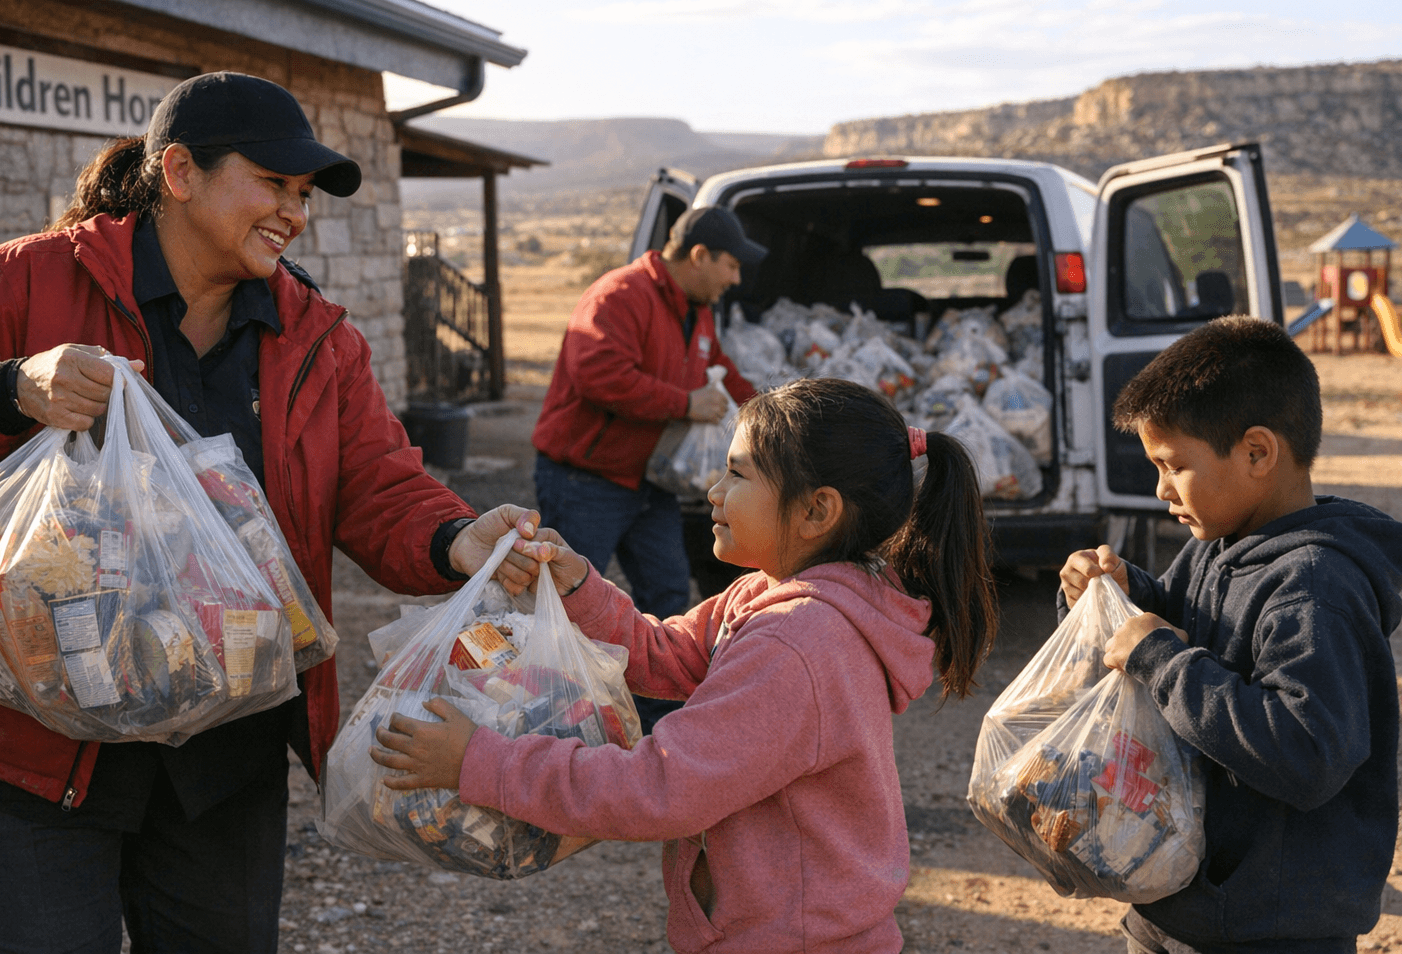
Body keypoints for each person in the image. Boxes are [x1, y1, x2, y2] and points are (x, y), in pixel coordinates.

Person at [0, 71, 541, 954]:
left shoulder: (317, 338)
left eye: (303, 195)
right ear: (179, 172)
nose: (294, 213)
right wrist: (4, 391)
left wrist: (456, 537)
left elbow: (379, 484)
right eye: (273, 183)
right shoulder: (25, 283)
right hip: (15, 751)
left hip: (220, 760)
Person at [378, 377, 1001, 953]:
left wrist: (481, 762)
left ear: (817, 511)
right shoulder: (773, 593)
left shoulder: (799, 644)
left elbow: (660, 790)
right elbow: (667, 655)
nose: (714, 491)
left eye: (737, 474)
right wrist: (578, 590)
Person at [1057, 316, 1402, 954]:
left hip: (1267, 926)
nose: (1160, 489)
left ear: (1256, 453)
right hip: (1177, 902)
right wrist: (1119, 593)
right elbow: (1179, 619)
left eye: (1173, 465)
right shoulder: (1217, 545)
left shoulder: (1315, 589)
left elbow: (1309, 752)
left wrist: (1160, 660)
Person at [531, 205, 763, 730]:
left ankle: (659, 733)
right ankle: (552, 727)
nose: (736, 278)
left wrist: (777, 412)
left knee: (665, 601)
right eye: (731, 265)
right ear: (699, 255)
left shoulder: (696, 307)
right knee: (563, 606)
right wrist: (684, 403)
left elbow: (719, 374)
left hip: (648, 482)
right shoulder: (620, 295)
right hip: (585, 481)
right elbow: (597, 373)